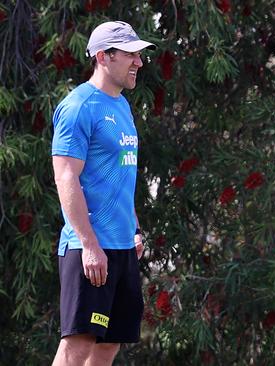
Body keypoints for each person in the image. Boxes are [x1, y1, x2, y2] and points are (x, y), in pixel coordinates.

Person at [51, 21, 155, 365]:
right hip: (89, 248)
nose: (139, 62)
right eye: (130, 55)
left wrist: (134, 228)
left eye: (139, 55)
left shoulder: (122, 107)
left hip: (122, 248)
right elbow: (66, 176)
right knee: (78, 345)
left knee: (109, 345)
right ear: (103, 57)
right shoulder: (79, 106)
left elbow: (121, 177)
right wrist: (91, 245)